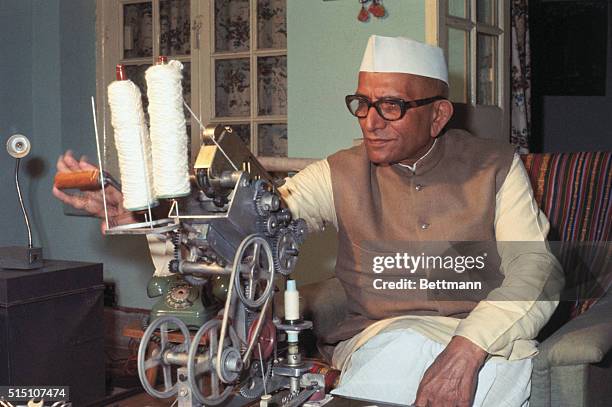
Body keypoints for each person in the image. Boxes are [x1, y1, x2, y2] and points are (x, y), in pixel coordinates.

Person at [53, 36, 562, 406]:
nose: (370, 121)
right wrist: (143, 211)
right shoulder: (340, 172)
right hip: (388, 339)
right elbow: (257, 221)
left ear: (438, 115)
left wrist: (466, 351)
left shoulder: (497, 167)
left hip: (487, 339)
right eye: (362, 103)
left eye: (391, 106)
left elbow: (535, 268)